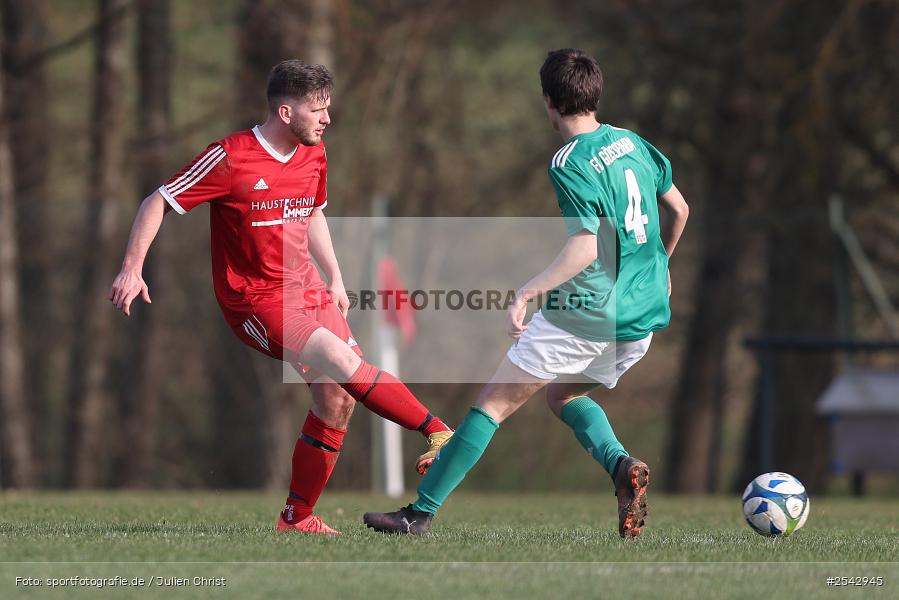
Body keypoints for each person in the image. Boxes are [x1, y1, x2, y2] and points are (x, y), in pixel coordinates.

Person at [109, 60, 453, 535]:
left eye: (328, 109)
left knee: (336, 399)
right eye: (318, 110)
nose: (327, 119)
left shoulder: (315, 153)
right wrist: (132, 267)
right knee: (338, 359)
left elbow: (312, 213)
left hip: (308, 289)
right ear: (286, 111)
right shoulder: (231, 156)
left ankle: (297, 518)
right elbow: (158, 200)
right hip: (254, 299)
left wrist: (333, 274)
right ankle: (436, 430)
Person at [363, 48, 689, 539]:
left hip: (588, 313)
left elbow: (582, 248)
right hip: (643, 316)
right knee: (562, 395)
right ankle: (622, 469)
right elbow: (680, 209)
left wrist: (527, 293)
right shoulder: (632, 141)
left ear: (549, 102)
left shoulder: (568, 161)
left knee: (490, 406)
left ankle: (418, 515)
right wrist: (660, 266)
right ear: (595, 94)